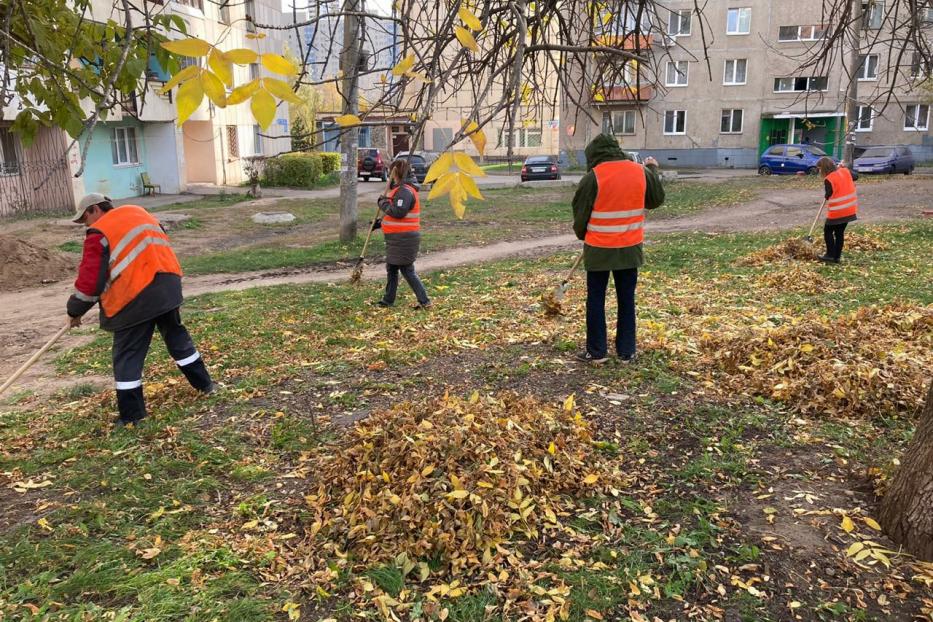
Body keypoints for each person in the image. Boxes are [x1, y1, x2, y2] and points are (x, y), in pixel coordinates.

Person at [66, 193, 214, 426]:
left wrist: (75, 310)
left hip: (135, 297)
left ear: (94, 209)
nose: (87, 225)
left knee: (127, 354)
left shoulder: (99, 232)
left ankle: (133, 416)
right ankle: (205, 385)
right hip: (167, 286)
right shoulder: (140, 213)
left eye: (85, 219)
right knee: (176, 336)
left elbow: (90, 280)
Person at [572, 134, 665, 364]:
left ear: (594, 155)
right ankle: (626, 352)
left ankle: (596, 351)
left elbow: (580, 214)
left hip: (598, 250)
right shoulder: (640, 172)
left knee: (595, 299)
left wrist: (585, 234)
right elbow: (655, 200)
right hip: (629, 249)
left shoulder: (592, 177)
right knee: (626, 299)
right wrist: (652, 170)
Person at [372, 159, 432, 309]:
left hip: (405, 239)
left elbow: (399, 212)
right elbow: (395, 214)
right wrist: (380, 222)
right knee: (392, 269)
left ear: (396, 173)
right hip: (397, 239)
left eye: (391, 172)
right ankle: (388, 300)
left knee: (406, 270)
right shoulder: (399, 189)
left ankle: (425, 301)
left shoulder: (405, 191)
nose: (390, 176)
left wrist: (382, 203)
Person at [817, 157, 858, 263]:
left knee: (828, 231)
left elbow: (828, 194)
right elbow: (856, 176)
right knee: (839, 233)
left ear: (824, 168)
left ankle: (830, 255)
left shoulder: (829, 179)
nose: (819, 171)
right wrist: (844, 168)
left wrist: (826, 195)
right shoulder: (845, 171)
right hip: (849, 210)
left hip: (837, 211)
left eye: (819, 169)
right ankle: (836, 257)